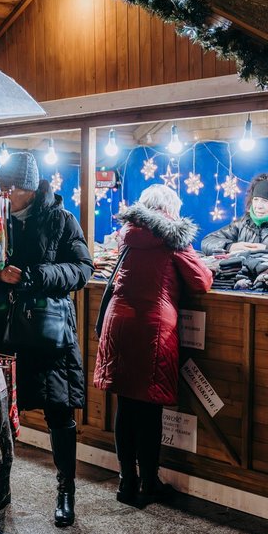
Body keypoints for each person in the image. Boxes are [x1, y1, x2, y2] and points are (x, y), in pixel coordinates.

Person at [0, 152, 93, 527]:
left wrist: (34, 275)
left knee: (60, 413)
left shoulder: (60, 219)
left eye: (15, 188)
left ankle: (66, 491)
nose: (7, 194)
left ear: (33, 187)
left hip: (50, 335)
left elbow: (82, 269)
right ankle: (1, 484)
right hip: (7, 333)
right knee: (2, 415)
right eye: (3, 187)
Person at [93, 184, 213, 506]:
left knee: (126, 406)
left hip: (118, 324)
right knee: (149, 410)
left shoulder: (127, 235)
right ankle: (149, 483)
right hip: (153, 328)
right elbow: (202, 281)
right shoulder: (173, 237)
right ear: (170, 209)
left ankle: (126, 482)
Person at [200, 171, 268, 255]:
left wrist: (266, 248)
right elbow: (207, 241)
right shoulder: (244, 222)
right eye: (256, 199)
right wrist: (230, 246)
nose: (258, 206)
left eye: (265, 201)